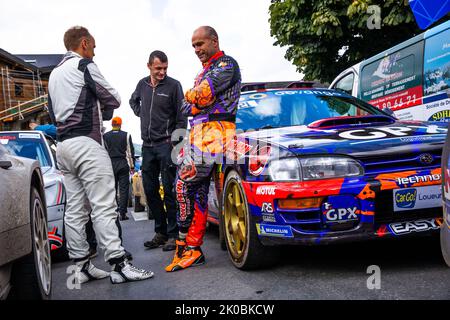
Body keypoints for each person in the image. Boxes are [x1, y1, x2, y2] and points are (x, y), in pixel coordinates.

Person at [48, 25, 153, 284]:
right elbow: (114, 97)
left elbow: (51, 113)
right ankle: (119, 265)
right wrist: (100, 104)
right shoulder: (84, 66)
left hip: (63, 146)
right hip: (87, 143)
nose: (94, 52)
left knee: (74, 210)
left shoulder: (53, 75)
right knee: (103, 206)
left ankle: (81, 266)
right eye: (93, 47)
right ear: (84, 44)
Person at [165, 26, 241, 272]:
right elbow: (185, 108)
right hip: (199, 134)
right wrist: (196, 100)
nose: (197, 50)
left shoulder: (226, 64)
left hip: (216, 133)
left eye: (200, 44)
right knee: (195, 191)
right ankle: (192, 248)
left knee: (183, 183)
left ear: (214, 41)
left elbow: (201, 94)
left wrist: (195, 97)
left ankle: (185, 246)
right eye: (193, 46)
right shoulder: (204, 71)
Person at [130, 50, 187, 252]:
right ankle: (160, 232)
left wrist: (176, 143)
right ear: (149, 67)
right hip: (147, 146)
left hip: (166, 145)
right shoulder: (142, 85)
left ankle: (173, 234)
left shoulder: (174, 86)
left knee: (170, 190)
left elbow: (182, 116)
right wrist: (142, 113)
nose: (162, 72)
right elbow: (133, 101)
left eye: (165, 68)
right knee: (150, 190)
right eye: (158, 68)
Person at [103, 116, 135, 221]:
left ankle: (114, 212)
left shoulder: (105, 136)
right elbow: (129, 152)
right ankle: (123, 213)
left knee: (112, 189)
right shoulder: (126, 135)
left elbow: (103, 152)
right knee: (124, 190)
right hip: (122, 163)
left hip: (110, 164)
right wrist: (132, 166)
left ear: (112, 124)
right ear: (120, 125)